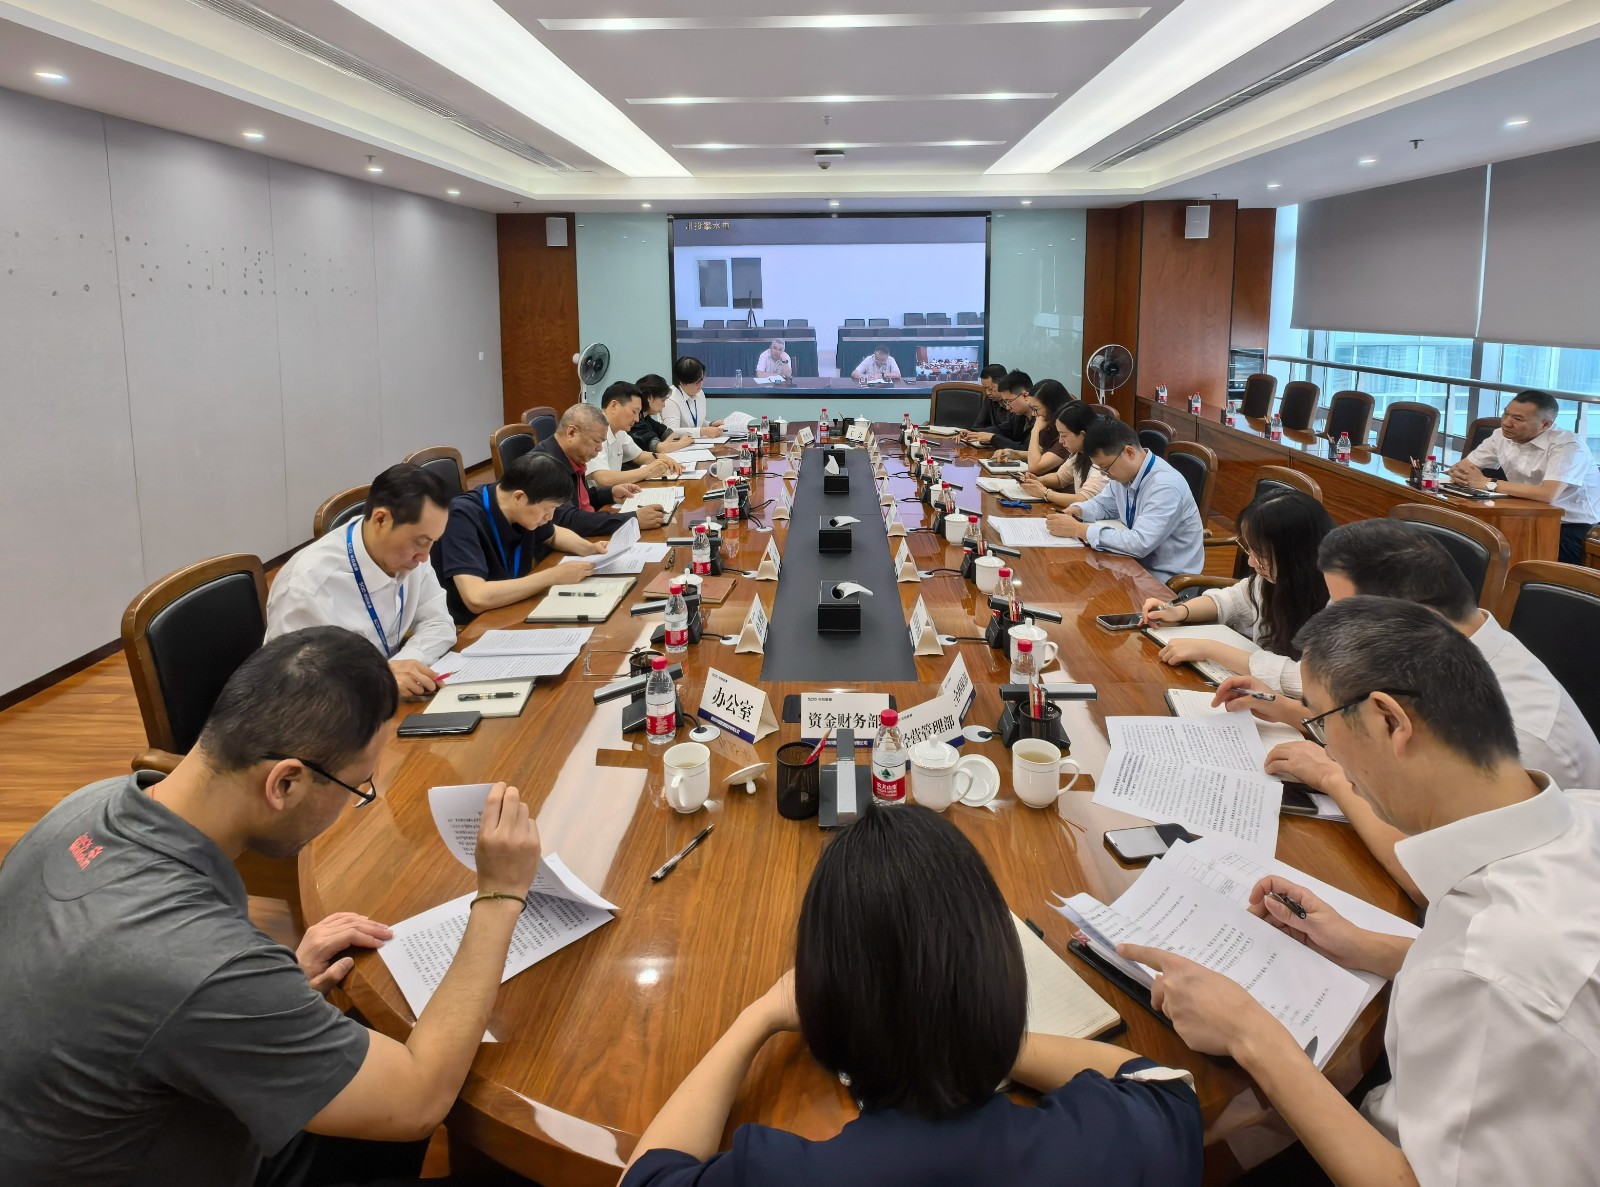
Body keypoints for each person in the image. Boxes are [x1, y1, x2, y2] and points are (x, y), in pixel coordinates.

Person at [0, 627, 545, 1187]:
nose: (355, 801)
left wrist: (268, 988)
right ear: (285, 783)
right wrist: (501, 894)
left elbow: (128, 994)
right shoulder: (200, 964)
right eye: (357, 787)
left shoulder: (89, 805)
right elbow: (417, 1101)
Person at [1125, 597, 1600, 1187]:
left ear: (1389, 721)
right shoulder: (1581, 811)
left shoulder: (1492, 974)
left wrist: (1250, 1033)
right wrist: (1363, 945)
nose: (1325, 750)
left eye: (1321, 723)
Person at [620, 806, 1202, 1187]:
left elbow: (646, 1176)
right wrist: (971, 1034)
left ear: (825, 1014)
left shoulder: (785, 1175)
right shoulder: (1119, 1141)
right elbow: (1157, 1082)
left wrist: (759, 1016)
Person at [1217, 519, 1600, 903]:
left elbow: (1436, 877)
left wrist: (1330, 776)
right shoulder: (1437, 655)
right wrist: (1293, 712)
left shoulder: (1521, 732)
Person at [266, 463, 455, 700]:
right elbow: (297, 684)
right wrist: (381, 678)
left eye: (433, 542)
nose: (425, 557)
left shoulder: (412, 556)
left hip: (384, 701)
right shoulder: (307, 587)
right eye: (421, 541)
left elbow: (439, 623)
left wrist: (405, 665)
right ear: (381, 520)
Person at [1140, 490, 1334, 696]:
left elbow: (1304, 680)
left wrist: (1210, 649)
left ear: (1298, 556)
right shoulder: (1274, 580)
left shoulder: (1339, 601)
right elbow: (1231, 600)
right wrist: (1178, 612)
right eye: (1250, 549)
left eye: (1261, 554)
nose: (1251, 562)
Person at [432, 452, 607, 625]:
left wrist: (590, 548)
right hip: (473, 624)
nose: (550, 516)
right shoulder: (461, 516)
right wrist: (553, 576)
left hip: (512, 606)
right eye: (547, 508)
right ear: (519, 497)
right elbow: (476, 598)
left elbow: (554, 534)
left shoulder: (517, 506)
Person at [1449, 388, 1600, 563]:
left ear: (1545, 424)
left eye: (1517, 419)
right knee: (1465, 542)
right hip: (1523, 513)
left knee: (1501, 558)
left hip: (1571, 526)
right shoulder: (1500, 435)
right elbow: (1463, 468)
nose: (1506, 423)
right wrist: (1460, 474)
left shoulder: (1568, 446)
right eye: (1505, 414)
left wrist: (1488, 483)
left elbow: (1548, 494)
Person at [1048, 418, 1206, 581]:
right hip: (1130, 565)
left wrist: (1079, 530)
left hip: (1166, 579)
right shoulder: (1124, 474)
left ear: (1129, 453)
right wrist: (1078, 510)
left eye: (1105, 468)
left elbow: (1140, 543)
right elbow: (1103, 505)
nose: (1104, 474)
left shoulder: (1165, 486)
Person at [532, 403, 668, 537]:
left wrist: (609, 493)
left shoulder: (571, 455)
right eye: (596, 441)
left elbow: (578, 501)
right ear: (572, 432)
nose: (600, 448)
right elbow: (567, 520)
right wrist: (632, 519)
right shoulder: (545, 467)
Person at [1019, 402, 1109, 506]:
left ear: (1082, 435)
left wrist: (1045, 493)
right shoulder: (1080, 453)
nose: (1060, 441)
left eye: (1064, 435)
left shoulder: (1101, 460)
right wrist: (1038, 480)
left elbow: (1084, 500)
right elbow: (1060, 478)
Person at [592, 381, 680, 484]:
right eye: (634, 411)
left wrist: (662, 458)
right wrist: (648, 471)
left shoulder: (619, 431)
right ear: (614, 406)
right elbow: (603, 479)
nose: (637, 419)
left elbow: (639, 456)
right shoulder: (593, 430)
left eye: (638, 413)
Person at [997, 378, 1071, 472]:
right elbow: (1040, 453)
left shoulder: (1068, 431)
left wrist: (1035, 430)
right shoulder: (1050, 424)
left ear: (1051, 407)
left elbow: (1035, 467)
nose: (1033, 414)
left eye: (1036, 409)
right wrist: (1014, 453)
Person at [961, 370, 1034, 449]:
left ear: (1025, 396)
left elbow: (1026, 448)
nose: (1008, 407)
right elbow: (1003, 429)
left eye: (1009, 401)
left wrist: (993, 438)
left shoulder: (1041, 419)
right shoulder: (1020, 415)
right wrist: (974, 432)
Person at [631, 374, 696, 455]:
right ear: (650, 398)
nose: (664, 405)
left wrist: (666, 445)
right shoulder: (636, 421)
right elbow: (660, 448)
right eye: (662, 400)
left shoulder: (646, 418)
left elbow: (670, 433)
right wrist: (682, 443)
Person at [662, 356, 725, 438]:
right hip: (678, 445)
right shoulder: (670, 399)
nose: (701, 385)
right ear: (682, 382)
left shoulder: (699, 393)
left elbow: (695, 423)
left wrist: (710, 424)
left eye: (702, 379)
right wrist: (702, 431)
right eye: (697, 382)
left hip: (696, 442)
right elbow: (671, 431)